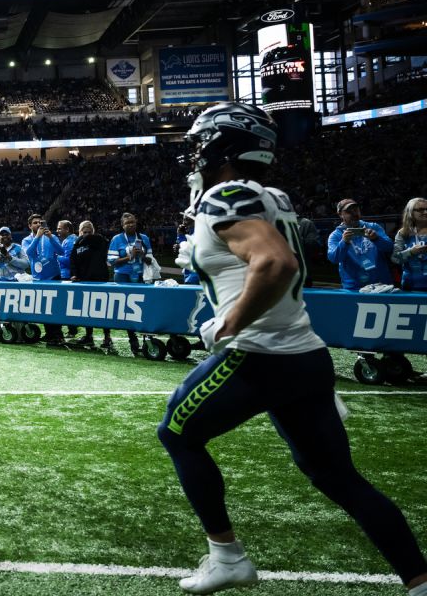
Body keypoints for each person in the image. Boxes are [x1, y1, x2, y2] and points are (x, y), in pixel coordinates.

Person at [157, 102, 427, 596]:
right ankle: (419, 579)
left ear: (224, 146)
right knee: (337, 477)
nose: (194, 152)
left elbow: (275, 263)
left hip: (259, 354)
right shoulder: (270, 195)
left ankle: (228, 557)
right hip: (304, 356)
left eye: (201, 141)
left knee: (177, 433)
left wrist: (227, 323)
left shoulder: (226, 197)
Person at [327, 198, 394, 291]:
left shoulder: (373, 227)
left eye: (356, 209)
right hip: (354, 287)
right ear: (340, 214)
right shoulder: (336, 235)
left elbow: (390, 247)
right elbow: (334, 259)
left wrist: (376, 239)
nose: (354, 213)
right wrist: (344, 242)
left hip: (382, 284)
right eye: (349, 211)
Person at [108, 212, 151, 354]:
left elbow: (151, 260)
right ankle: (132, 338)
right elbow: (111, 262)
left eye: (132, 222)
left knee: (143, 308)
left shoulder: (144, 238)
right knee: (127, 309)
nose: (130, 225)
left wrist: (142, 255)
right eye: (127, 223)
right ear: (122, 225)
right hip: (122, 277)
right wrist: (129, 256)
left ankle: (146, 340)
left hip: (140, 276)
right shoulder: (117, 239)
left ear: (136, 222)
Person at [66, 220, 113, 350]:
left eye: (89, 231)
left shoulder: (99, 240)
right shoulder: (77, 245)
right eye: (83, 231)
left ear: (93, 231)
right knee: (87, 309)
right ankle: (89, 335)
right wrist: (74, 274)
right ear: (79, 232)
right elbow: (73, 261)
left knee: (103, 309)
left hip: (100, 279)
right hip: (84, 280)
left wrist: (84, 237)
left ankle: (107, 336)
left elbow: (100, 242)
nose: (86, 234)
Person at [23, 214, 64, 344]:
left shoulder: (51, 237)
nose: (38, 225)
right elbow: (28, 253)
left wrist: (50, 237)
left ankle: (58, 334)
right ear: (30, 225)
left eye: (40, 222)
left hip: (54, 275)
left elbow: (61, 251)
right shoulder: (26, 240)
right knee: (44, 307)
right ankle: (49, 333)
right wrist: (37, 237)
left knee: (55, 307)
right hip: (39, 278)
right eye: (35, 223)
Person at [392, 197, 427, 292]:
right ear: (410, 212)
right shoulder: (403, 233)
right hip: (410, 285)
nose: (425, 212)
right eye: (420, 210)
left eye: (426, 209)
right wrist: (411, 252)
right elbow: (395, 259)